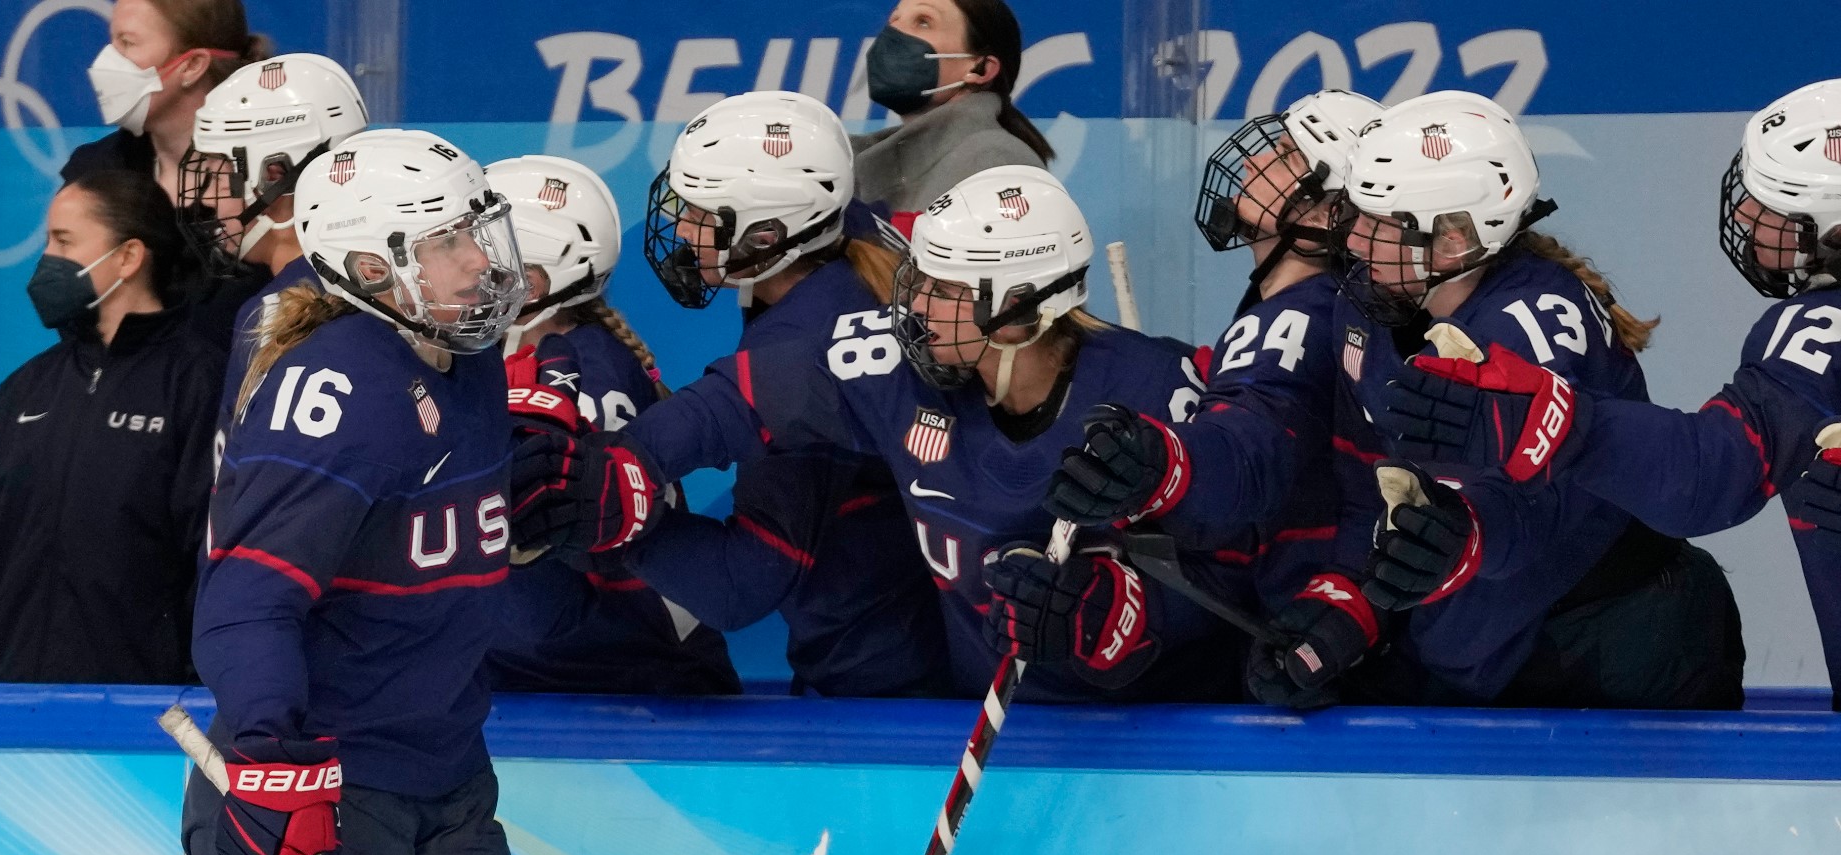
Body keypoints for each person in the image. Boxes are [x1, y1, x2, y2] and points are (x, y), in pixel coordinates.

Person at [519, 161, 1260, 702]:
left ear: (1019, 312)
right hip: (998, 725)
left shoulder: (1155, 388)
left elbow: (1240, 547)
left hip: (1174, 733)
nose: (911, 301)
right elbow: (737, 401)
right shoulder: (896, 366)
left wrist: (1122, 613)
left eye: (942, 287)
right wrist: (629, 471)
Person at [185, 129, 535, 855]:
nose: (480, 262)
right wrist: (264, 755)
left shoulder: (471, 357)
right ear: (372, 266)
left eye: (478, 234)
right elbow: (245, 601)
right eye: (448, 245)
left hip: (448, 777)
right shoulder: (333, 388)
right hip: (320, 787)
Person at [1380, 80, 1841, 704]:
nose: (1744, 217)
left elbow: (1712, 477)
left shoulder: (1819, 327)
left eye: (1771, 208)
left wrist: (1560, 423)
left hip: (1620, 633)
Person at [1314, 90, 1744, 708]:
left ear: (1456, 239)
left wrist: (1460, 536)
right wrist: (1343, 604)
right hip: (1496, 638)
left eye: (1383, 225)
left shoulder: (1533, 322)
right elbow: (1369, 481)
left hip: (1614, 639)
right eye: (1358, 215)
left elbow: (1535, 511)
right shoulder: (1364, 309)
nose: (1356, 242)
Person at [513, 91, 949, 697]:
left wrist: (601, 515)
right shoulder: (852, 241)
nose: (683, 228)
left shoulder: (810, 335)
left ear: (771, 232)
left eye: (703, 214)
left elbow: (740, 582)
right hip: (907, 632)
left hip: (890, 675)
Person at [1041, 89, 1384, 706]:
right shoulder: (1327, 307)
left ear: (1330, 213)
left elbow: (1252, 448)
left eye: (1283, 153)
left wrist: (1162, 463)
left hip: (1311, 629)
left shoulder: (1300, 316)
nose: (1253, 161)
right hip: (1333, 625)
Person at [0, 170, 221, 683]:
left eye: (64, 240)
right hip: (2, 715)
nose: (46, 259)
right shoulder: (24, 389)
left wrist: (193, 698)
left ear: (129, 257)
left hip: (138, 726)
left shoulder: (198, 385)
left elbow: (210, 564)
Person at [482, 154, 739, 695]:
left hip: (634, 688)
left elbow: (553, 545)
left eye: (473, 250)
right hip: (567, 671)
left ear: (530, 281)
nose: (451, 265)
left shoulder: (589, 374)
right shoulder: (516, 359)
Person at [174, 53, 368, 455]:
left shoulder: (274, 313)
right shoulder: (378, 287)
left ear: (274, 176)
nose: (207, 198)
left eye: (218, 173)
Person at [70, 0, 274, 345]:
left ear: (192, 65)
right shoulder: (94, 173)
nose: (106, 61)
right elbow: (72, 307)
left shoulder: (270, 180)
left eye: (128, 43)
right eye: (112, 41)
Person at [851, 0, 1053, 227]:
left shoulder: (994, 164)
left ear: (982, 69)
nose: (893, 34)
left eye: (923, 22)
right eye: (894, 20)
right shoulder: (848, 162)